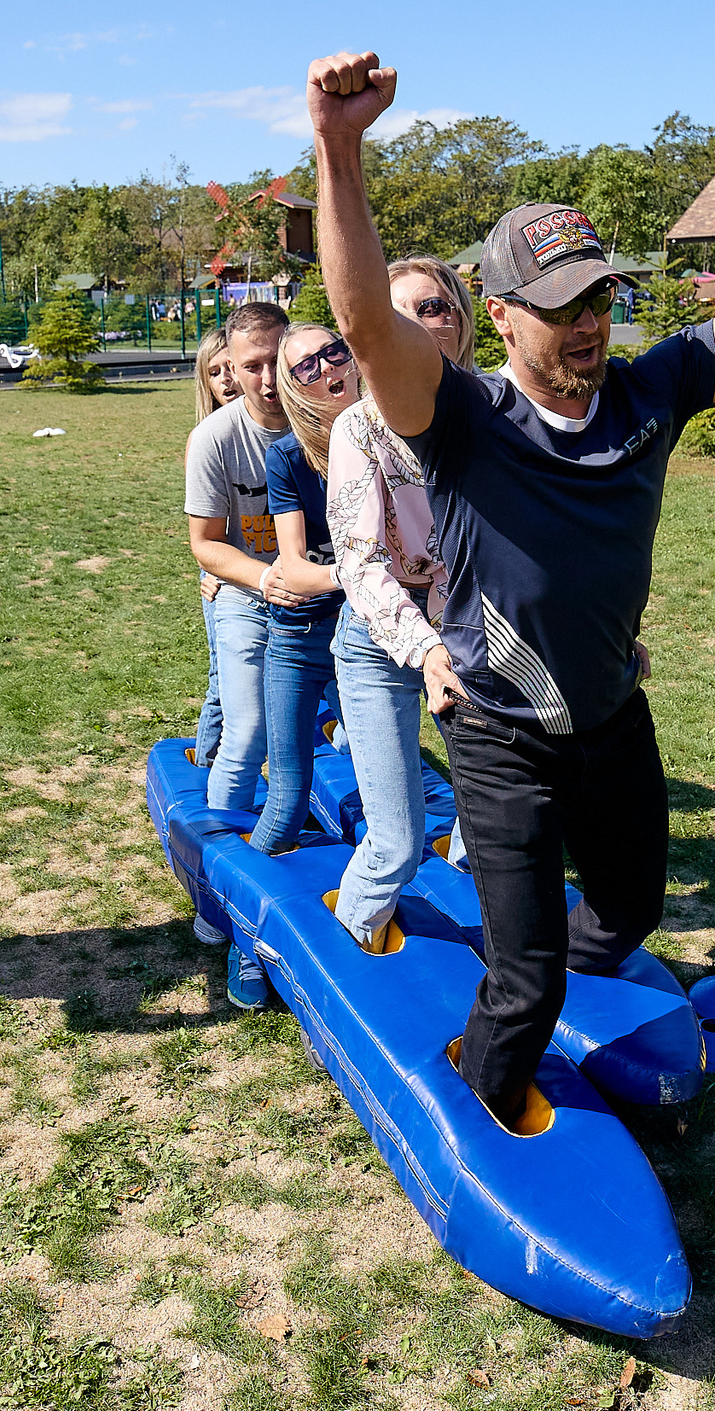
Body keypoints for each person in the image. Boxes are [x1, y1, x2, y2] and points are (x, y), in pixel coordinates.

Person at [308, 43, 715, 1130]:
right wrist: (340, 147)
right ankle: (483, 1094)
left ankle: (544, 965)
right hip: (500, 731)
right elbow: (364, 324)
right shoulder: (460, 419)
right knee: (524, 983)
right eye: (564, 301)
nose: (589, 320)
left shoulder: (649, 393)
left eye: (602, 295)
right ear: (504, 312)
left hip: (614, 716)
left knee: (629, 905)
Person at [325, 256, 478, 947]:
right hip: (382, 642)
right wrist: (425, 649)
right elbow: (359, 563)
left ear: (463, 320)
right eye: (398, 313)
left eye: (434, 307)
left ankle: (488, 936)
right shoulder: (359, 429)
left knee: (495, 813)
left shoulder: (496, 412)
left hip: (471, 637)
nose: (418, 326)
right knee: (396, 841)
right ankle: (355, 951)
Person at [182, 302, 294, 1001]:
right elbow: (205, 543)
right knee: (246, 728)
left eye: (276, 362)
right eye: (251, 365)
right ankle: (212, 891)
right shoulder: (215, 438)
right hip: (247, 592)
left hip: (322, 593)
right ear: (232, 365)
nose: (265, 378)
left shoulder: (327, 420)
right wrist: (267, 578)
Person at [244, 323, 357, 872]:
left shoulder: (390, 430)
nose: (327, 368)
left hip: (367, 635)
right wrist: (362, 573)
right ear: (293, 388)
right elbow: (292, 568)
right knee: (287, 795)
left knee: (383, 780)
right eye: (306, 367)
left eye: (333, 352)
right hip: (299, 636)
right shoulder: (289, 457)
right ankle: (236, 928)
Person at [188, 330, 240, 770]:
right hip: (227, 579)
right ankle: (206, 766)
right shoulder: (207, 438)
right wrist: (216, 572)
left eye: (231, 368)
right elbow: (205, 531)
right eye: (214, 372)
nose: (226, 380)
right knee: (224, 681)